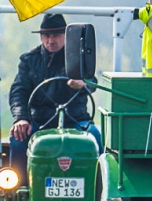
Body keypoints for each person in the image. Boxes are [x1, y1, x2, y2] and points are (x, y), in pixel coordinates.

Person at [9, 13, 102, 174]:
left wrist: (83, 83)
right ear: (41, 37)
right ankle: (18, 189)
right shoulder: (29, 60)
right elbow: (19, 91)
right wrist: (21, 118)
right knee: (18, 137)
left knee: (93, 135)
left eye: (56, 35)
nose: (50, 40)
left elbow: (92, 81)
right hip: (40, 122)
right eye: (46, 36)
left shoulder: (77, 59)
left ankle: (99, 188)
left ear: (66, 36)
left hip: (75, 120)